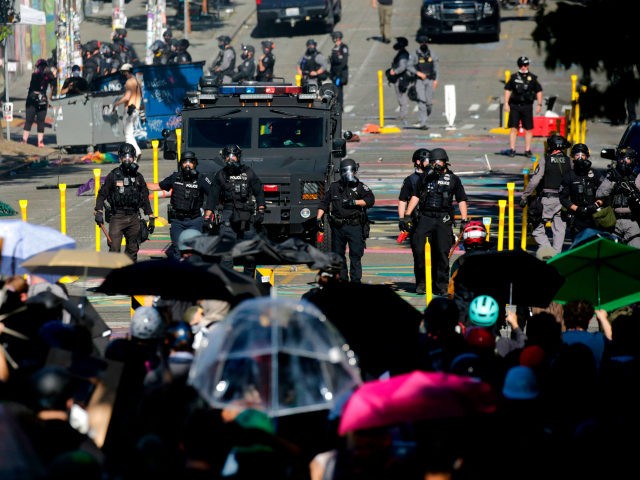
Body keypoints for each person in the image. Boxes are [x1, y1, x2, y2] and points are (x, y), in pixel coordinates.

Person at [405, 148, 468, 296]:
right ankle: (422, 282)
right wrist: (407, 215)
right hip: (425, 217)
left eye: (437, 161)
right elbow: (415, 196)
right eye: (432, 162)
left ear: (445, 162)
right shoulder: (425, 177)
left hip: (443, 218)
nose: (435, 164)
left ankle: (441, 285)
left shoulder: (453, 179)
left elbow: (461, 200)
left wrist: (464, 220)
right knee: (419, 249)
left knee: (442, 253)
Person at [204, 145, 266, 278]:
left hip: (247, 214)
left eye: (233, 156)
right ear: (224, 158)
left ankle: (248, 279)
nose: (230, 159)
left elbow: (259, 192)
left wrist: (261, 210)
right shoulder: (220, 174)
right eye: (228, 156)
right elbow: (213, 197)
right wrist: (207, 216)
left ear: (239, 157)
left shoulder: (248, 172)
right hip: (228, 213)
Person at [316, 158, 375, 283]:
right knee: (338, 255)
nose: (349, 174)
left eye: (352, 171)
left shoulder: (360, 187)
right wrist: (318, 218)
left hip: (355, 226)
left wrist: (355, 202)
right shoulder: (334, 187)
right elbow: (323, 203)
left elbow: (370, 200)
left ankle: (355, 280)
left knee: (355, 255)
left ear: (355, 171)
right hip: (338, 226)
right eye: (346, 171)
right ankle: (343, 280)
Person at [94, 142, 155, 262]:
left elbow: (145, 198)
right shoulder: (113, 175)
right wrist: (98, 211)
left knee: (133, 249)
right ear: (120, 158)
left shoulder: (139, 177)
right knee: (114, 248)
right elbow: (102, 194)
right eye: (124, 157)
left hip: (134, 217)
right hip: (117, 217)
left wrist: (151, 217)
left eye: (130, 157)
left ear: (134, 158)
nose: (127, 159)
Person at [147, 151, 213, 260]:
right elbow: (157, 186)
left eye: (190, 162)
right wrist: (138, 181)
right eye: (185, 162)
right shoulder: (175, 177)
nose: (188, 165)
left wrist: (208, 215)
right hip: (177, 221)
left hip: (195, 220)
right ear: (181, 164)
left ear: (195, 164)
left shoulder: (201, 179)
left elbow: (213, 195)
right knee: (178, 250)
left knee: (194, 252)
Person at [520, 134, 571, 254]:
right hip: (564, 201)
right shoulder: (569, 161)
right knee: (559, 229)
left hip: (548, 199)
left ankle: (548, 251)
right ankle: (556, 255)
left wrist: (525, 195)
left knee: (537, 228)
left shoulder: (546, 160)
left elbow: (535, 180)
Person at [559, 143, 605, 241]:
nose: (580, 158)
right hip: (577, 217)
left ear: (587, 157)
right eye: (577, 155)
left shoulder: (595, 174)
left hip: (594, 216)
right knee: (578, 244)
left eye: (582, 155)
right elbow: (563, 198)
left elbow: (605, 193)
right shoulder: (569, 175)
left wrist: (596, 205)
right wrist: (578, 209)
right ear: (573, 158)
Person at [595, 147, 640, 248]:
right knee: (609, 252)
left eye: (627, 159)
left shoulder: (637, 176)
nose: (623, 162)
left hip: (633, 221)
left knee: (635, 253)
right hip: (614, 221)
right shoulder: (612, 175)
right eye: (621, 159)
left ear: (633, 160)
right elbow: (600, 194)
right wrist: (612, 180)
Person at [398, 148, 430, 285]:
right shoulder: (410, 180)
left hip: (434, 219)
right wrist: (402, 219)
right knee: (419, 254)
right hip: (417, 221)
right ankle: (421, 283)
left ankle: (436, 283)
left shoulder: (436, 177)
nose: (431, 163)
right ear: (418, 162)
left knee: (438, 252)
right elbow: (402, 200)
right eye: (428, 160)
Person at [503, 56, 543, 157]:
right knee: (513, 128)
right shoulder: (514, 77)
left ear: (528, 65)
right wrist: (506, 103)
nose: (523, 67)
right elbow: (507, 89)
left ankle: (527, 150)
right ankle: (512, 149)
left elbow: (539, 91)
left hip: (527, 106)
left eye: (525, 65)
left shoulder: (533, 78)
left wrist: (539, 104)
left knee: (528, 129)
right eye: (521, 65)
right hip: (515, 106)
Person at [112, 63, 143, 159]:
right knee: (130, 132)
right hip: (136, 109)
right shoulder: (137, 81)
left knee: (128, 134)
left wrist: (116, 104)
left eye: (124, 72)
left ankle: (136, 152)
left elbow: (127, 97)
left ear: (127, 71)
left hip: (130, 110)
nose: (123, 74)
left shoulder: (129, 82)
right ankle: (136, 151)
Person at [21, 59, 55, 148]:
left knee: (41, 121)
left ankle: (40, 142)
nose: (41, 68)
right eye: (40, 67)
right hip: (32, 100)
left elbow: (54, 84)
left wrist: (51, 74)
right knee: (29, 120)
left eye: (43, 67)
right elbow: (36, 84)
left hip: (42, 100)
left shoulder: (48, 76)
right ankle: (24, 140)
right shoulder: (35, 75)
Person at [408, 35, 438, 130]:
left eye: (425, 42)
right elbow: (409, 66)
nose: (424, 44)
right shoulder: (415, 54)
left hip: (430, 80)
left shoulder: (432, 54)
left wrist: (436, 80)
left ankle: (425, 117)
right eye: (422, 43)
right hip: (419, 81)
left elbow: (436, 68)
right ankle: (423, 123)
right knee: (422, 101)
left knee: (428, 103)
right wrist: (418, 73)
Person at [387, 36, 412, 126]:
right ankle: (402, 114)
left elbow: (402, 67)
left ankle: (403, 114)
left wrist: (395, 71)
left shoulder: (403, 55)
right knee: (400, 96)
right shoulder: (401, 53)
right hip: (400, 78)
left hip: (402, 78)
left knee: (401, 96)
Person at [329, 31, 348, 110]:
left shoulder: (344, 47)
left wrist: (338, 73)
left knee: (339, 90)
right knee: (335, 90)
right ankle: (336, 105)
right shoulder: (334, 48)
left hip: (340, 74)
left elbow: (344, 61)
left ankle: (340, 107)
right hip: (334, 73)